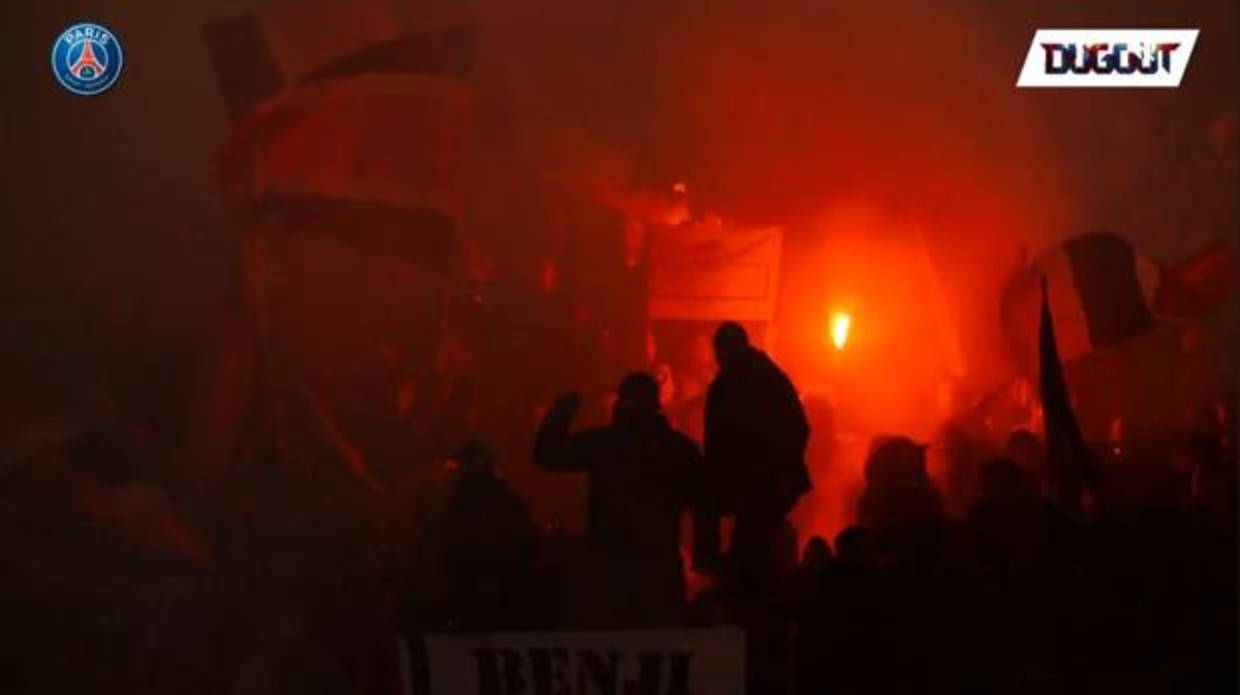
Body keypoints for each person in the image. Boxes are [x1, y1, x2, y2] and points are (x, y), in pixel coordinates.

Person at [534, 372, 708, 625]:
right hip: (657, 571)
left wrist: (563, 411)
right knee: (659, 643)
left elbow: (548, 453)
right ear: (656, 405)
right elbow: (704, 506)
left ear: (620, 404)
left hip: (610, 569)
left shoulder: (604, 445)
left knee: (613, 642)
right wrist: (705, 552)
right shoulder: (679, 449)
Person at [702, 322, 811, 599]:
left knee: (751, 549)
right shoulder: (767, 379)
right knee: (757, 545)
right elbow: (798, 425)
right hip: (769, 484)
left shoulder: (733, 385)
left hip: (761, 484)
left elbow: (719, 442)